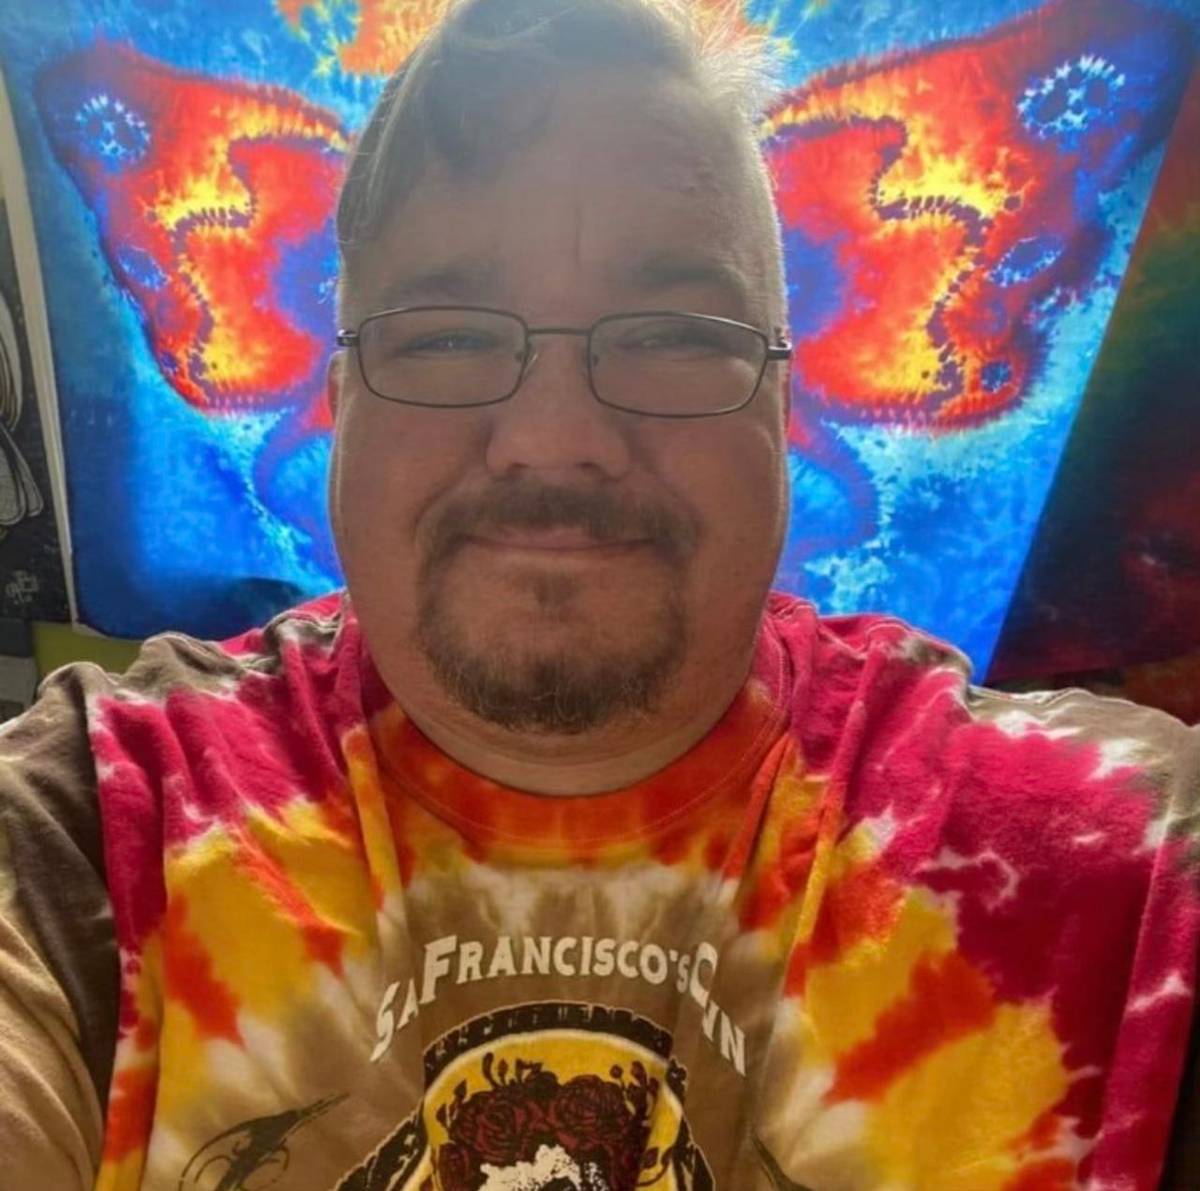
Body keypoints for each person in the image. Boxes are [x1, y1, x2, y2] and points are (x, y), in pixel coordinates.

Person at [1, 1, 1197, 1187]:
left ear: (782, 406)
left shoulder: (1122, 873)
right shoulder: (95, 822)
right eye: (447, 338)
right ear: (342, 400)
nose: (556, 437)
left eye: (673, 334)